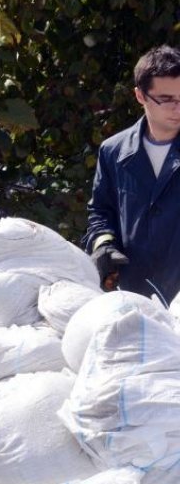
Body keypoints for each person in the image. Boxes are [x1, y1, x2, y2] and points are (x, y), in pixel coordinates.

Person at [85, 45, 180, 303]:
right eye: (167, 99)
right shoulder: (113, 152)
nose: (177, 108)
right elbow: (101, 212)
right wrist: (104, 245)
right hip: (134, 295)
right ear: (140, 96)